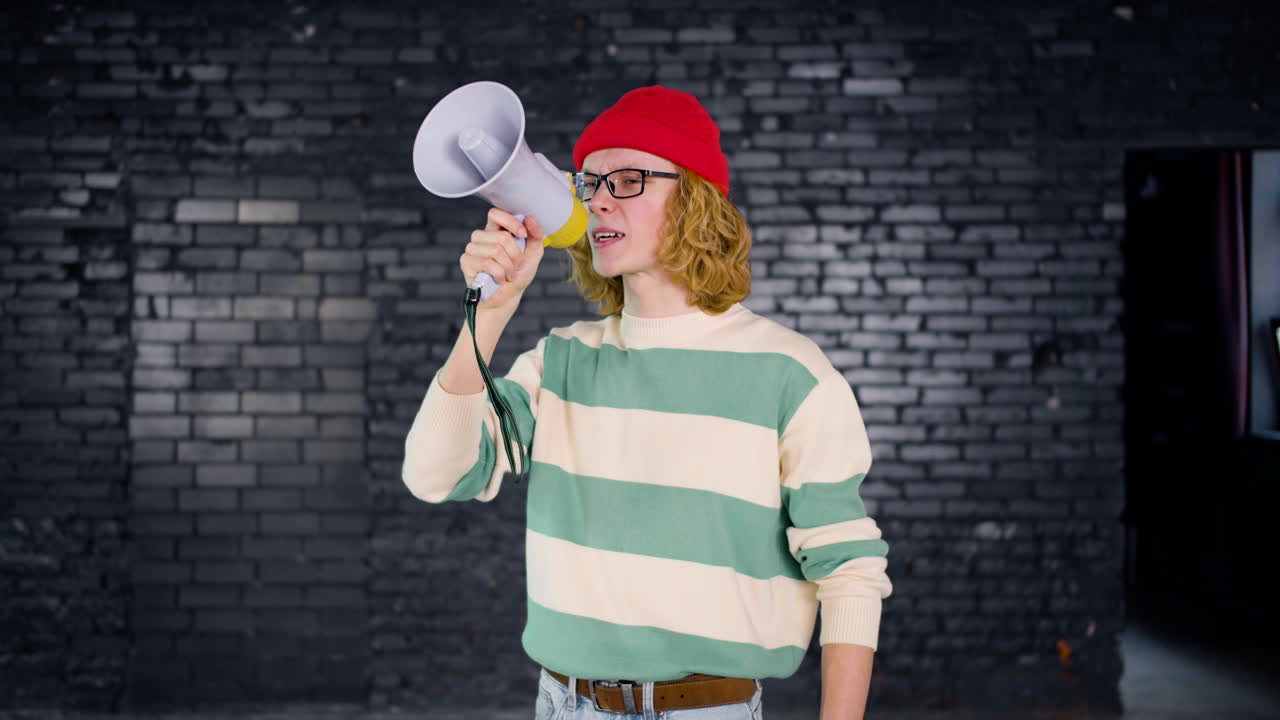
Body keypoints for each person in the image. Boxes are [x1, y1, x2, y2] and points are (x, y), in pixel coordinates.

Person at [402, 85, 893, 720]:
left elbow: (849, 570)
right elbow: (434, 476)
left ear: (695, 199)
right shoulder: (561, 362)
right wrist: (491, 316)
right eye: (589, 181)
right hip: (561, 706)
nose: (599, 199)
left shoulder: (790, 373)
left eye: (628, 179)